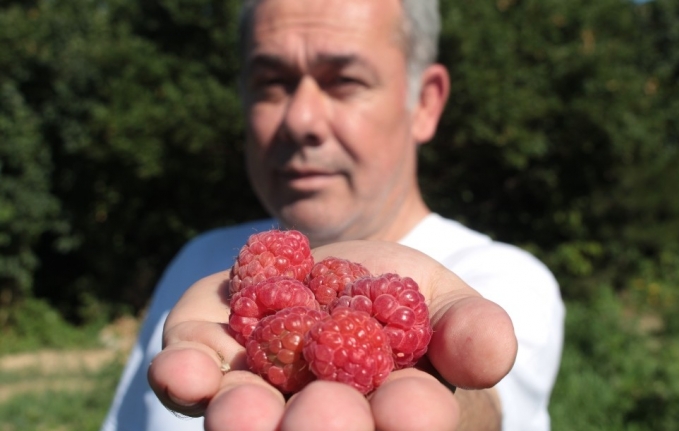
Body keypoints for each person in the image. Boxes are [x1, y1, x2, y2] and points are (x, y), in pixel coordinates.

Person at [100, 0, 565, 430]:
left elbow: (487, 411)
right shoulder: (198, 265)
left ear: (424, 103)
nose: (301, 119)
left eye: (345, 81)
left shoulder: (506, 278)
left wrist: (426, 389)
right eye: (271, 82)